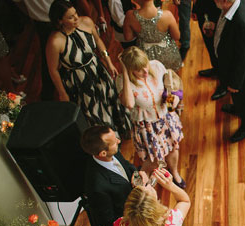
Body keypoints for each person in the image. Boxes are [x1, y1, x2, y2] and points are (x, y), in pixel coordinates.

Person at [46, 0, 132, 135]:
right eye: (70, 17)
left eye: (75, 13)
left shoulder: (86, 22)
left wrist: (108, 62)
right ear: (60, 21)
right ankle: (107, 137)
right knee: (93, 111)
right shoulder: (55, 41)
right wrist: (62, 92)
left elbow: (98, 41)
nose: (76, 18)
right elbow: (53, 70)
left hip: (97, 69)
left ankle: (120, 130)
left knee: (110, 98)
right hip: (79, 81)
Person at [117, 46, 185, 187]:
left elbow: (170, 87)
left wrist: (174, 98)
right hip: (147, 126)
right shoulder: (122, 81)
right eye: (138, 69)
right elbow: (129, 103)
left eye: (145, 65)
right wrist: (124, 71)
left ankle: (174, 173)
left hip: (165, 118)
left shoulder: (157, 66)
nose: (145, 71)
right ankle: (144, 184)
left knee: (173, 148)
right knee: (154, 159)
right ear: (130, 70)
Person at [213, 0, 245, 143]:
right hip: (231, 64)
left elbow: (244, 58)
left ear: (225, 2)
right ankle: (238, 108)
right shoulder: (231, 7)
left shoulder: (242, 23)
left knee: (244, 97)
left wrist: (235, 83)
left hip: (241, 72)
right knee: (237, 96)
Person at [123, 0, 182, 71]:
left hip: (145, 57)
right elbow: (177, 36)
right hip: (167, 54)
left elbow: (128, 37)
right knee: (168, 74)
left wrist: (141, 32)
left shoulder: (130, 16)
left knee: (150, 75)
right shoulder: (167, 15)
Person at [192, 0, 226, 100]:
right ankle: (216, 69)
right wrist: (195, 9)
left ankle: (225, 84)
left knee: (221, 50)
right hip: (203, 13)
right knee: (210, 47)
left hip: (217, 16)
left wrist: (216, 21)